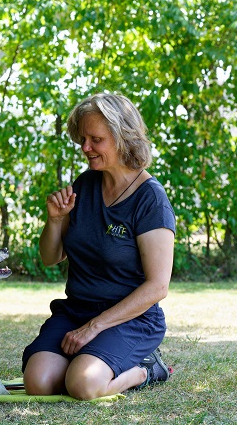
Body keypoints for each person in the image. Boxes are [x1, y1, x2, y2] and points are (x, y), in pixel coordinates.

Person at [22, 93, 175, 400]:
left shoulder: (150, 199)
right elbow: (50, 257)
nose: (85, 148)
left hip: (130, 319)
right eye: (83, 139)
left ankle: (145, 369)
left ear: (123, 137)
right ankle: (93, 360)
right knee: (37, 382)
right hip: (76, 310)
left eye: (96, 140)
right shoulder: (85, 184)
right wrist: (55, 220)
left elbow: (158, 286)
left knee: (83, 384)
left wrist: (94, 328)